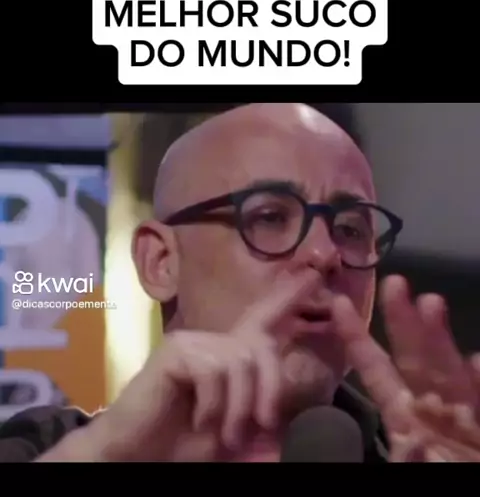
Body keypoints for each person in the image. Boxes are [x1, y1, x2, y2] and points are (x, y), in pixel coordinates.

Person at [0, 103, 479, 462]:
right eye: (269, 217)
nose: (324, 253)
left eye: (351, 229)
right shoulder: (48, 449)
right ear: (160, 261)